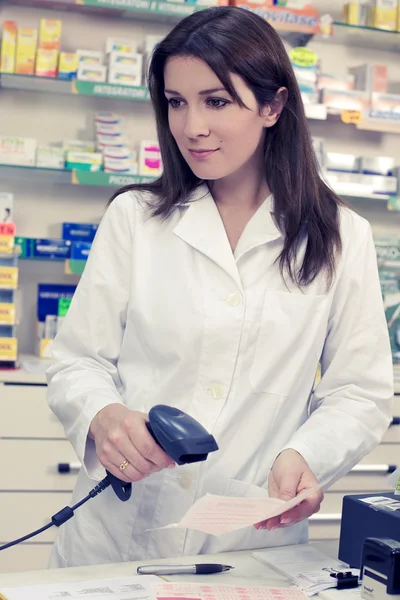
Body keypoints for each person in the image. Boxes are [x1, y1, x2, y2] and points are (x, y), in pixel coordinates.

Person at [46, 6, 394, 569]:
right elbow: (77, 362)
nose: (191, 127)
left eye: (216, 101)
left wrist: (305, 454)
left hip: (246, 542)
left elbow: (361, 392)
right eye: (176, 102)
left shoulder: (338, 236)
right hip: (114, 539)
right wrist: (103, 416)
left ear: (273, 105)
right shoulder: (135, 218)